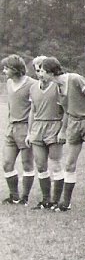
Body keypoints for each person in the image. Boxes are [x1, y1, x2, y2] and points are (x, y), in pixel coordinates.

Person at [42, 57, 85, 213]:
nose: (40, 75)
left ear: (50, 72)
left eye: (42, 71)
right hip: (74, 125)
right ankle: (66, 203)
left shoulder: (75, 79)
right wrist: (63, 130)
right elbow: (67, 111)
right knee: (69, 164)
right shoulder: (56, 88)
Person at [26, 56, 66, 210]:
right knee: (41, 166)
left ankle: (55, 201)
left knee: (55, 163)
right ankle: (45, 200)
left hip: (54, 126)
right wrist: (30, 132)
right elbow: (32, 111)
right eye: (38, 71)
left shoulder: (58, 87)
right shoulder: (33, 88)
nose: (40, 74)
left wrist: (62, 129)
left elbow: (66, 110)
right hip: (38, 128)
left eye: (43, 71)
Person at [1, 55, 36, 205]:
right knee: (7, 163)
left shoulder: (32, 84)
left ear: (15, 69)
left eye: (6, 68)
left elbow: (36, 107)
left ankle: (25, 198)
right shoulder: (8, 83)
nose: (3, 71)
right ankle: (14, 196)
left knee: (27, 163)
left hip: (25, 128)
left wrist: (31, 131)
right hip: (11, 128)